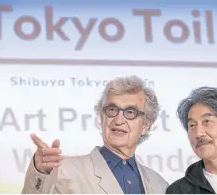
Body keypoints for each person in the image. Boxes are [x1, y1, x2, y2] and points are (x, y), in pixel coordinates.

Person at [21, 75, 168, 194]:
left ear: (146, 125)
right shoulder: (64, 171)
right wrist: (40, 173)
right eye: (111, 110)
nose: (118, 119)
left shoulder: (159, 184)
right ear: (101, 117)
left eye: (130, 112)